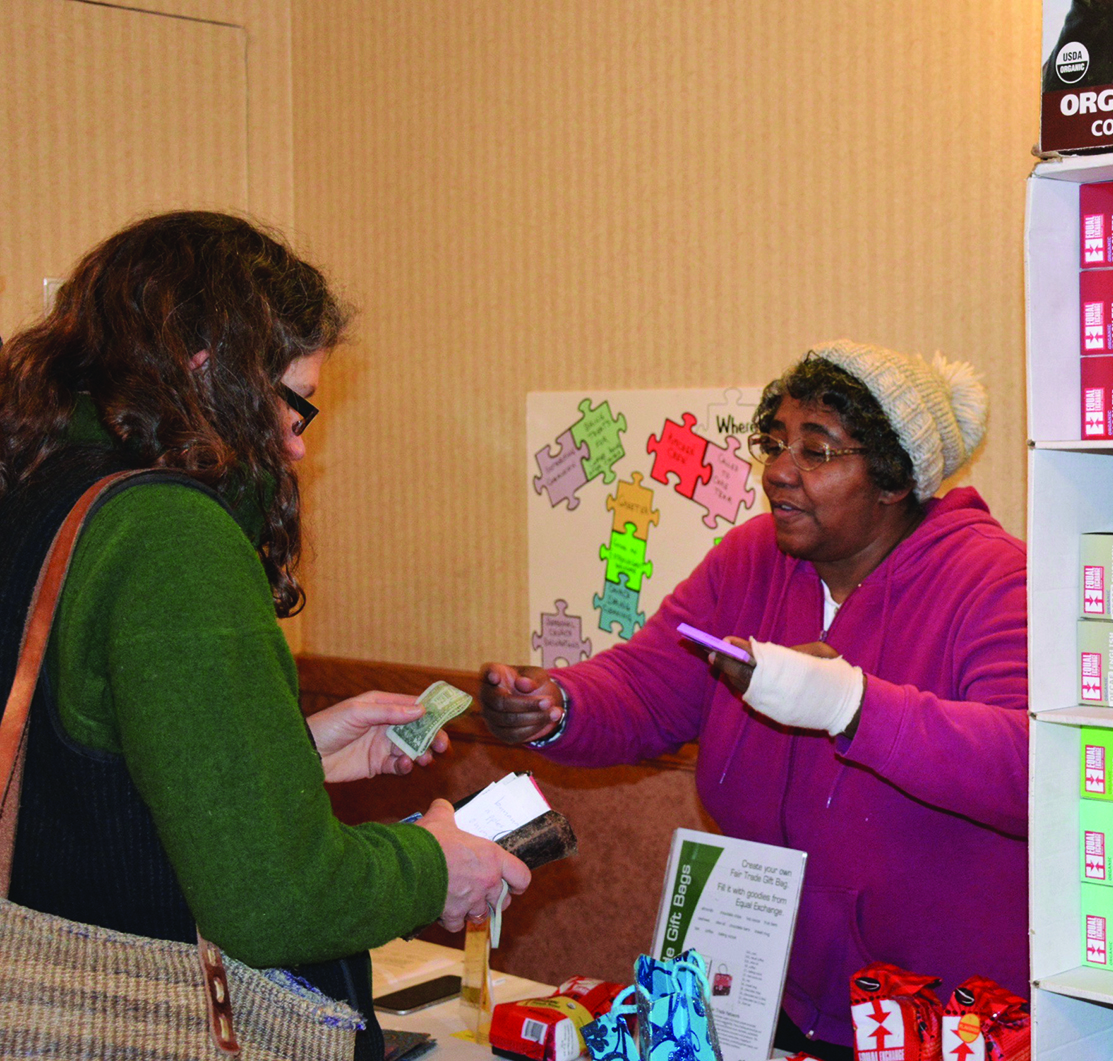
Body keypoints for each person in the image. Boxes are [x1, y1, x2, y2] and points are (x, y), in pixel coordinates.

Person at [0, 212, 530, 1061]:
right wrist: (434, 866)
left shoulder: (45, 491)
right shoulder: (171, 531)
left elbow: (86, 770)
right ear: (211, 372)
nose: (294, 444)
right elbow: (277, 898)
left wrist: (295, 751)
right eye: (293, 403)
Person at [481, 340, 1028, 1059]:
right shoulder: (750, 560)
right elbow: (648, 685)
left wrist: (852, 704)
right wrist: (557, 705)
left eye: (818, 450)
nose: (778, 471)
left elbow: (1027, 766)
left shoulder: (992, 580)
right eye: (775, 443)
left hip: (932, 1021)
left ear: (894, 477)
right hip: (766, 994)